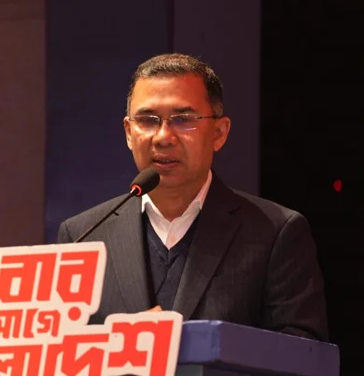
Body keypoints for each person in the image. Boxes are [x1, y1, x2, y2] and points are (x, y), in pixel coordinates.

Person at [57, 53, 329, 341]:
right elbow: (55, 351)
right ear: (128, 132)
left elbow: (303, 352)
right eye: (147, 120)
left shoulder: (275, 233)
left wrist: (182, 343)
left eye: (183, 120)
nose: (163, 137)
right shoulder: (83, 237)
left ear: (219, 133)